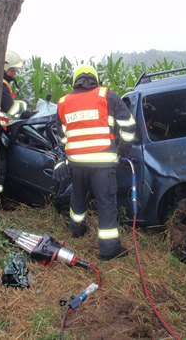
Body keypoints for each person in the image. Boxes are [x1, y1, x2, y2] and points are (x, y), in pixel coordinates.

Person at [53, 64, 136, 261]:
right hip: (103, 163)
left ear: (75, 80)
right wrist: (121, 150)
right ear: (95, 79)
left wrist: (68, 154)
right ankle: (108, 250)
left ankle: (76, 229)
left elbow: (62, 136)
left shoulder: (63, 102)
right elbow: (128, 127)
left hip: (77, 163)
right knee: (106, 203)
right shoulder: (106, 95)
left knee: (78, 197)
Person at [0, 50, 24, 194]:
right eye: (13, 70)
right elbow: (10, 108)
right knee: (0, 164)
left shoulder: (2, 83)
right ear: (6, 68)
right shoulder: (1, 85)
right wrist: (25, 110)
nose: (15, 73)